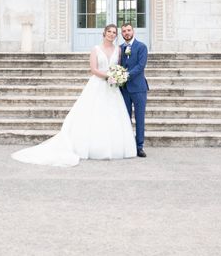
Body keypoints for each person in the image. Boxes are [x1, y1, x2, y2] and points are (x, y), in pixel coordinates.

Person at [11, 24, 137, 167]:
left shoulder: (119, 50)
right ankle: (90, 147)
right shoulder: (96, 49)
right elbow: (94, 69)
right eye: (109, 32)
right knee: (93, 115)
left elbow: (119, 67)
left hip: (112, 88)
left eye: (114, 32)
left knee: (113, 115)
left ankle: (114, 146)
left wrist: (117, 77)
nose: (112, 34)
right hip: (98, 85)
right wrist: (108, 76)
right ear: (104, 33)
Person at [119, 23, 149, 158]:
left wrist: (126, 75)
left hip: (139, 88)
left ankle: (139, 146)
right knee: (125, 118)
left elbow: (140, 66)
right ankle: (128, 145)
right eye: (124, 31)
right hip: (124, 89)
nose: (126, 33)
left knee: (139, 118)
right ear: (121, 34)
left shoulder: (141, 47)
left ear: (133, 31)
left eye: (128, 30)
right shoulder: (119, 49)